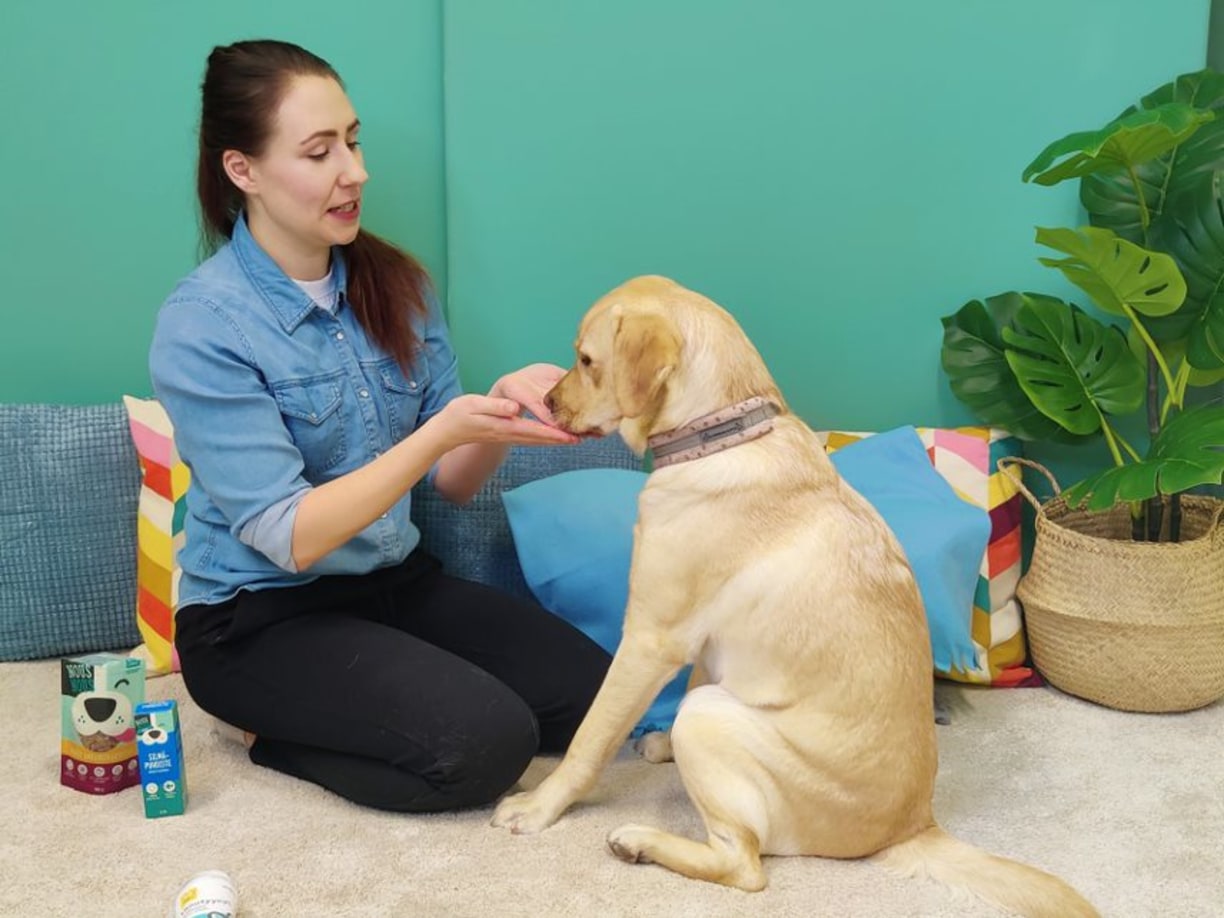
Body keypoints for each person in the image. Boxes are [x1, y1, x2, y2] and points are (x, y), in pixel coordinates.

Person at [149, 39, 611, 813]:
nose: (355, 171)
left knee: (598, 698)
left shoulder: (400, 287)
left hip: (393, 584)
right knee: (486, 747)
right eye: (319, 151)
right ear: (244, 171)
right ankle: (263, 733)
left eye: (353, 142)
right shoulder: (202, 327)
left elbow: (451, 487)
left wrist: (493, 419)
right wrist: (438, 432)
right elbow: (288, 535)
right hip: (256, 619)